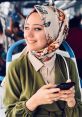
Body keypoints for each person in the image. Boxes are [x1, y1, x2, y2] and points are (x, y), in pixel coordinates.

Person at [3, 3, 82, 117]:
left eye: (37, 28)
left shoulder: (67, 64)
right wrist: (34, 101)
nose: (28, 35)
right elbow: (9, 114)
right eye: (26, 27)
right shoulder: (17, 67)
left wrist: (71, 102)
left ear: (53, 33)